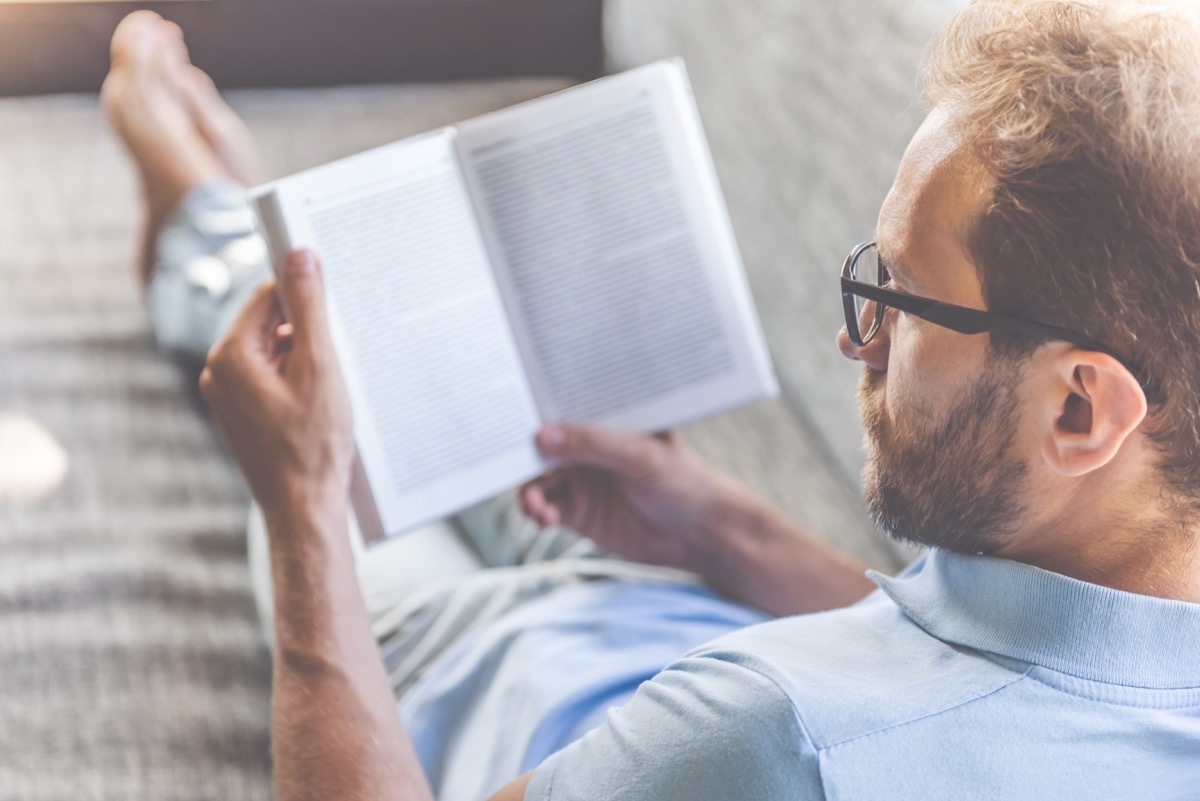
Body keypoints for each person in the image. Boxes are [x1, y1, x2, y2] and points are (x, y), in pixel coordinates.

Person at [103, 1, 1200, 799]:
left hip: (474, 665)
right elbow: (974, 658)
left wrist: (303, 518)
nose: (855, 340)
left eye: (901, 300)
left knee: (312, 393)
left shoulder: (772, 741)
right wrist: (711, 523)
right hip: (676, 595)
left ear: (1079, 411)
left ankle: (201, 220)